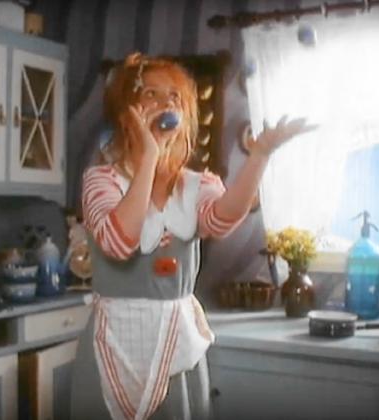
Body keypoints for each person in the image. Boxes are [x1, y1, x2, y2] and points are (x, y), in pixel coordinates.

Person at [70, 52, 315, 420]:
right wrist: (148, 158)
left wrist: (259, 156)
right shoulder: (101, 181)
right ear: (126, 113)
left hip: (177, 346)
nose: (166, 103)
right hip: (113, 344)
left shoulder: (195, 185)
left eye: (175, 97)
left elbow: (222, 219)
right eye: (151, 94)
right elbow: (119, 244)